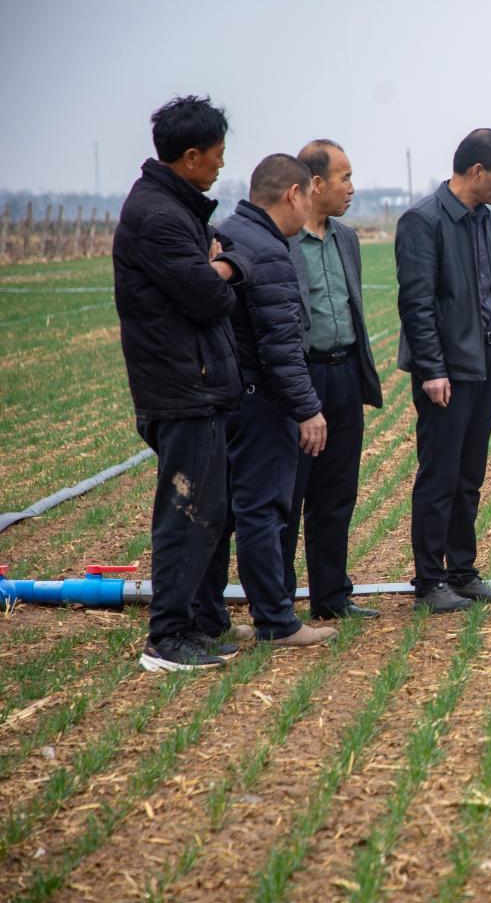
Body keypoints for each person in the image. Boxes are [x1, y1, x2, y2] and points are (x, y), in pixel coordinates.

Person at [113, 95, 251, 671]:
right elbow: (209, 296)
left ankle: (197, 623)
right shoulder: (160, 217)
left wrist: (222, 262)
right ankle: (167, 639)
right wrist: (222, 267)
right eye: (216, 156)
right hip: (180, 389)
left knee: (211, 512)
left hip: (199, 386)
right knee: (185, 513)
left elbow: (223, 264)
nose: (221, 165)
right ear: (190, 156)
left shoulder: (179, 208)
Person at [212, 154, 336, 648]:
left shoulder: (229, 232)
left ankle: (211, 616)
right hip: (260, 401)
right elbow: (281, 344)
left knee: (222, 514)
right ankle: (276, 622)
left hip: (225, 396)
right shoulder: (268, 250)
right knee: (263, 511)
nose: (309, 206)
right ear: (293, 194)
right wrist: (306, 408)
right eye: (308, 196)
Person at [397, 129, 491, 612]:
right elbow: (417, 303)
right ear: (476, 172)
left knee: (469, 474)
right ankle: (430, 580)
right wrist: (431, 369)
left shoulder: (480, 218)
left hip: (482, 362)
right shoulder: (422, 221)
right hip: (445, 368)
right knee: (439, 473)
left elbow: (487, 295)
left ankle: (462, 572)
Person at [284, 140, 383, 621]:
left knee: (337, 492)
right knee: (289, 493)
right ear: (315, 184)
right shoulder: (280, 241)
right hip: (301, 379)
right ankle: (279, 601)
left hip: (344, 374)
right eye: (344, 177)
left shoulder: (346, 238)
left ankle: (331, 596)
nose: (351, 187)